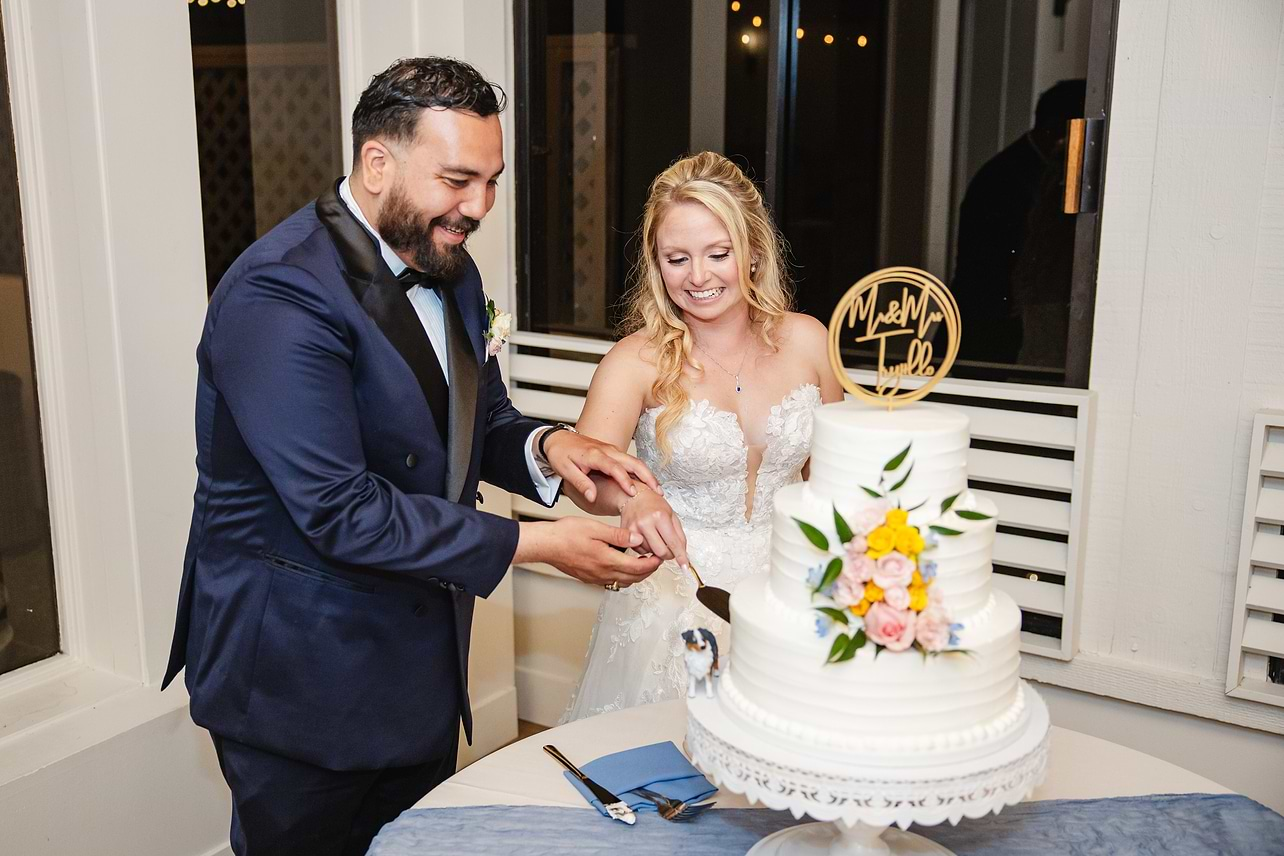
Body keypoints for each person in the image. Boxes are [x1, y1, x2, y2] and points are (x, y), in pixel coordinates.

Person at [161, 57, 663, 856]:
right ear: (376, 161)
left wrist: (554, 448)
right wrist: (538, 544)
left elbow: (479, 416)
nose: (479, 207)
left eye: (492, 182)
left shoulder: (446, 265)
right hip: (300, 679)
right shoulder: (277, 296)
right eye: (459, 179)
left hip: (418, 664)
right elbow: (343, 510)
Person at [559, 152, 844, 721]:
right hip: (680, 595)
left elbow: (834, 476)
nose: (698, 276)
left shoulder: (810, 341)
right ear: (655, 264)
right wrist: (637, 498)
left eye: (719, 254)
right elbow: (582, 477)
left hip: (793, 591)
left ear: (753, 251)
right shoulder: (634, 361)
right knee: (679, 773)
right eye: (677, 258)